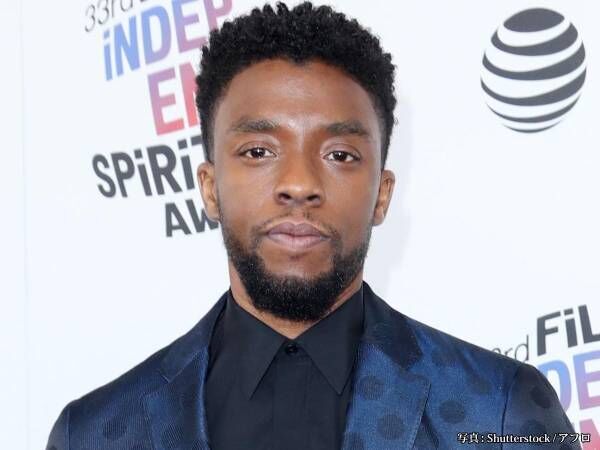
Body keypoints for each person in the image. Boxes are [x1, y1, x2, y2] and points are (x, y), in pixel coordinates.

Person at [47, 2, 578, 449]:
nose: (299, 183)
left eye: (340, 154)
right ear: (209, 188)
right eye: (259, 151)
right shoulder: (96, 433)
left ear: (382, 194)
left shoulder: (500, 410)